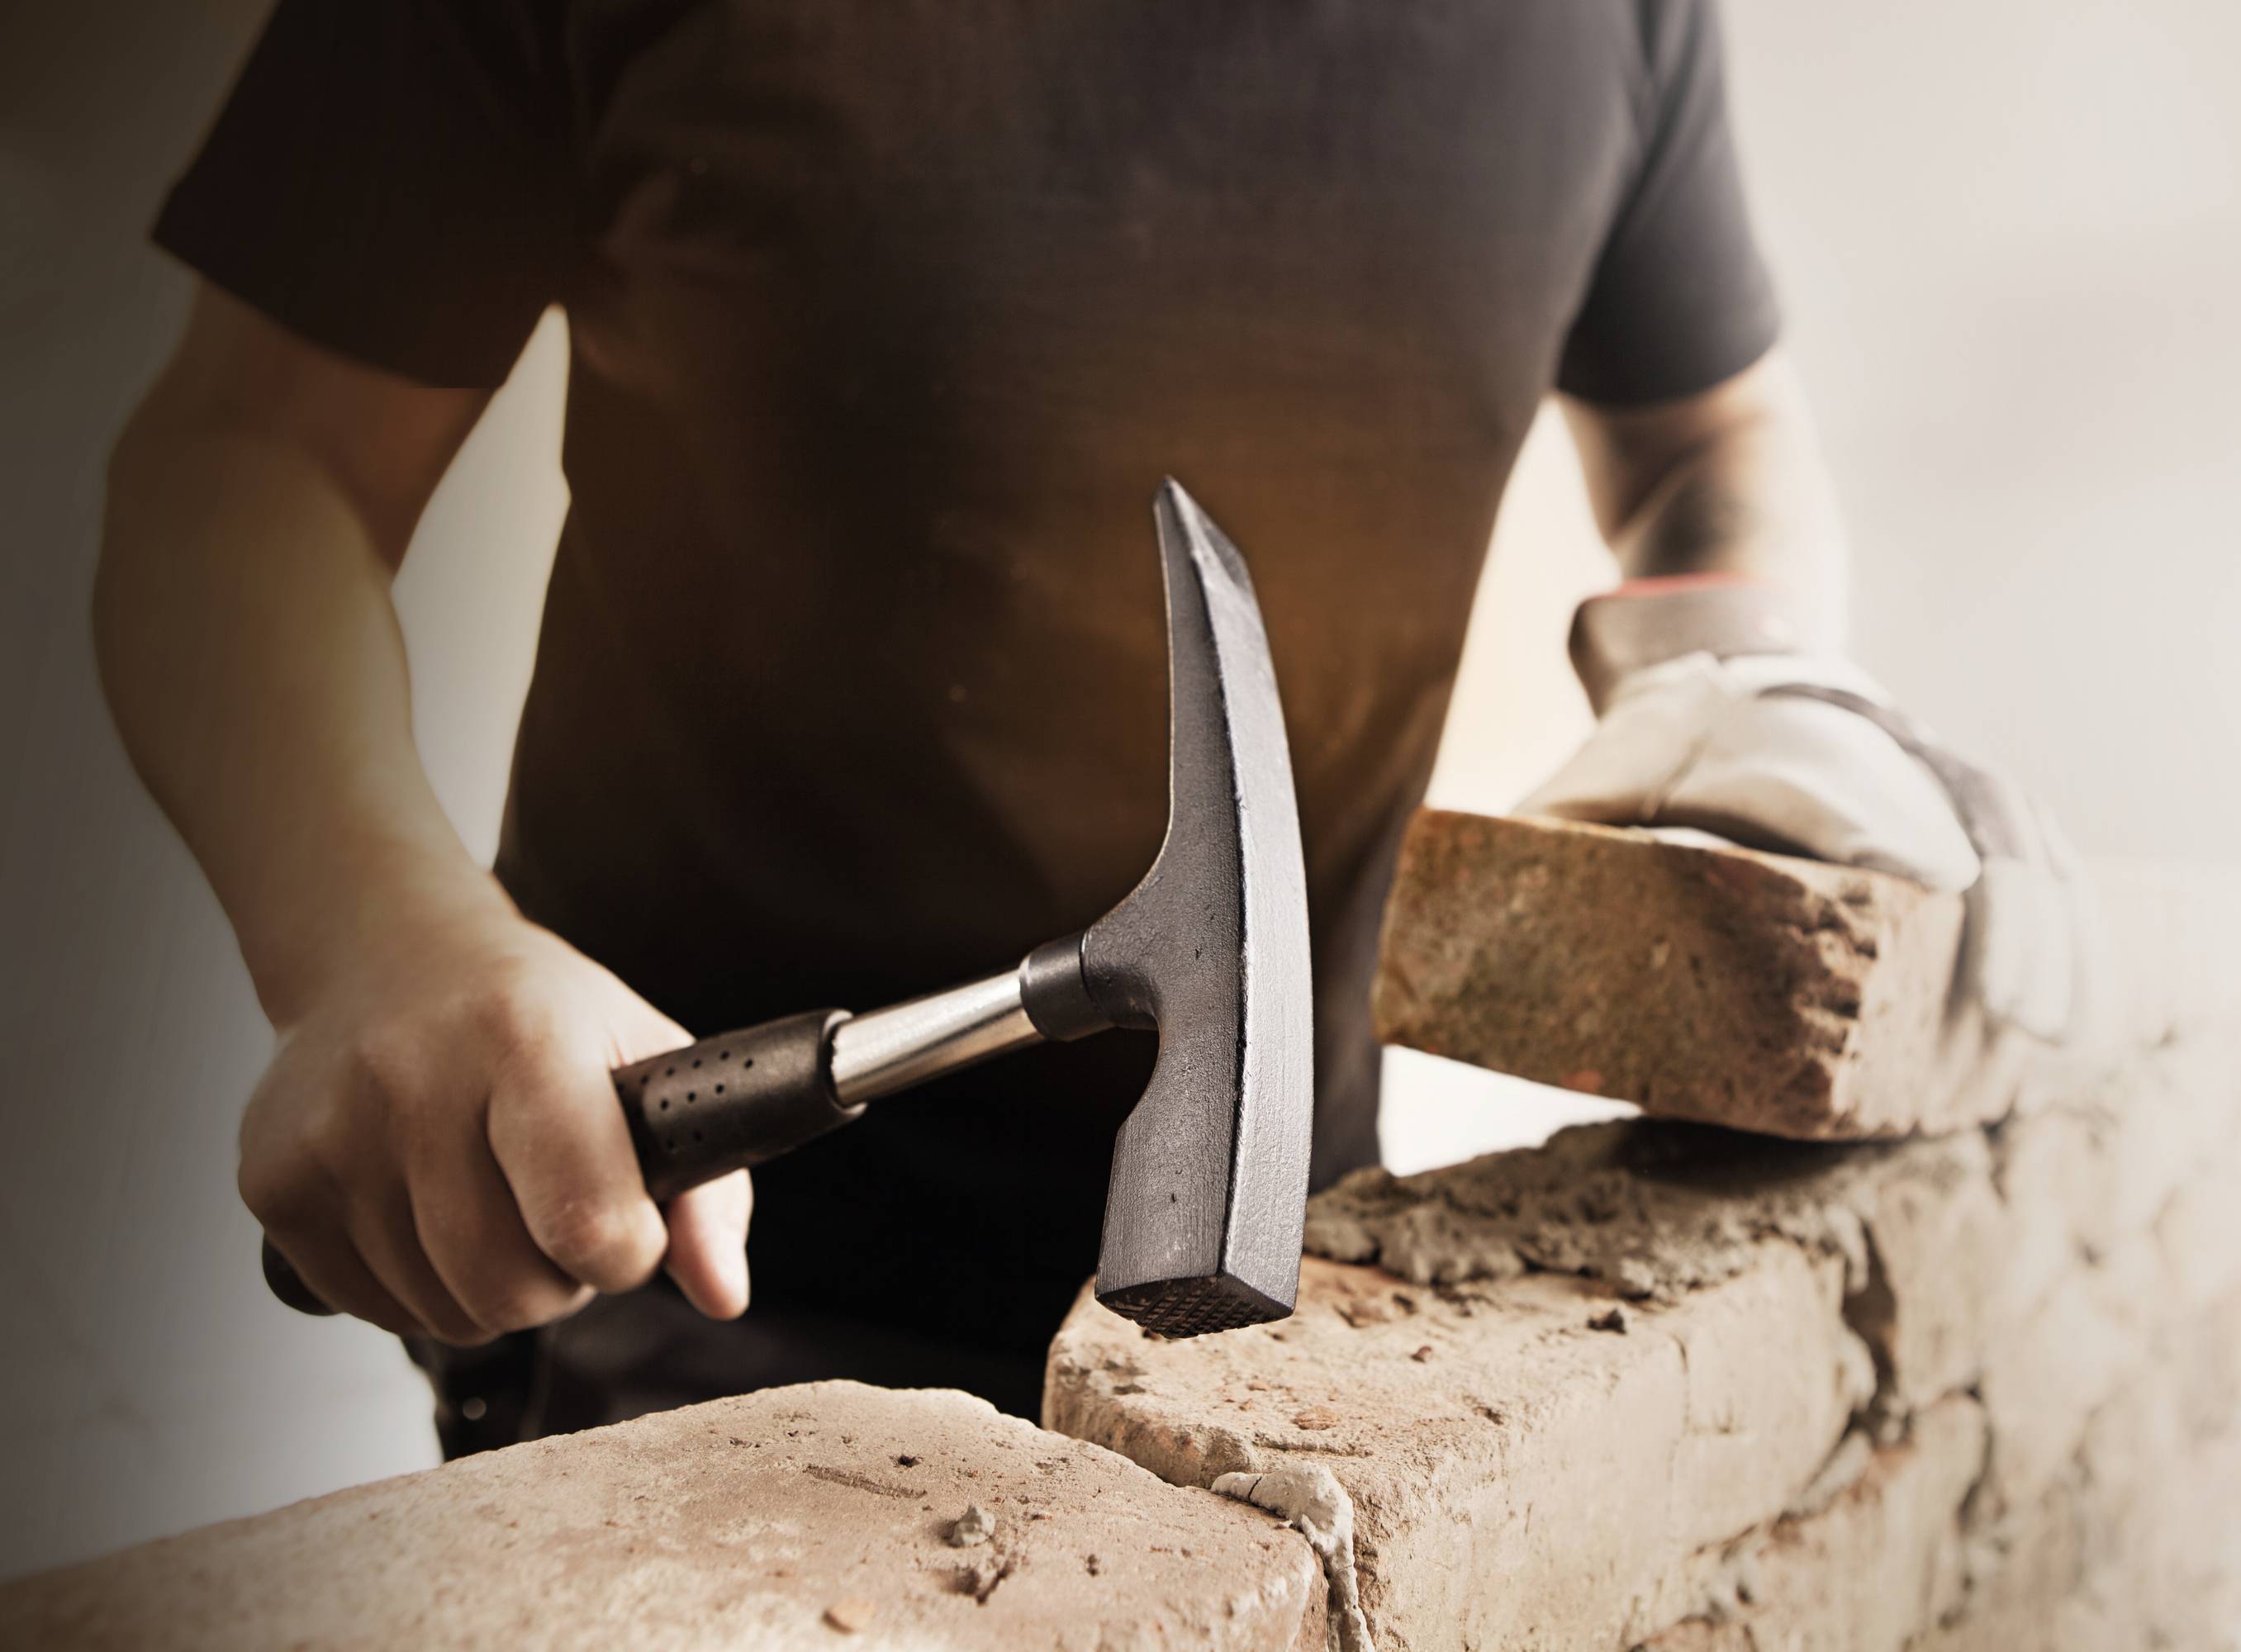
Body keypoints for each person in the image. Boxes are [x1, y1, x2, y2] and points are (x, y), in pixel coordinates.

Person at [97, 0, 2085, 1456]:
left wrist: (1732, 676)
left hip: (1269, 1322)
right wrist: (373, 932)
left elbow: (1715, 437)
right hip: (673, 1285)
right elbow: (245, 462)